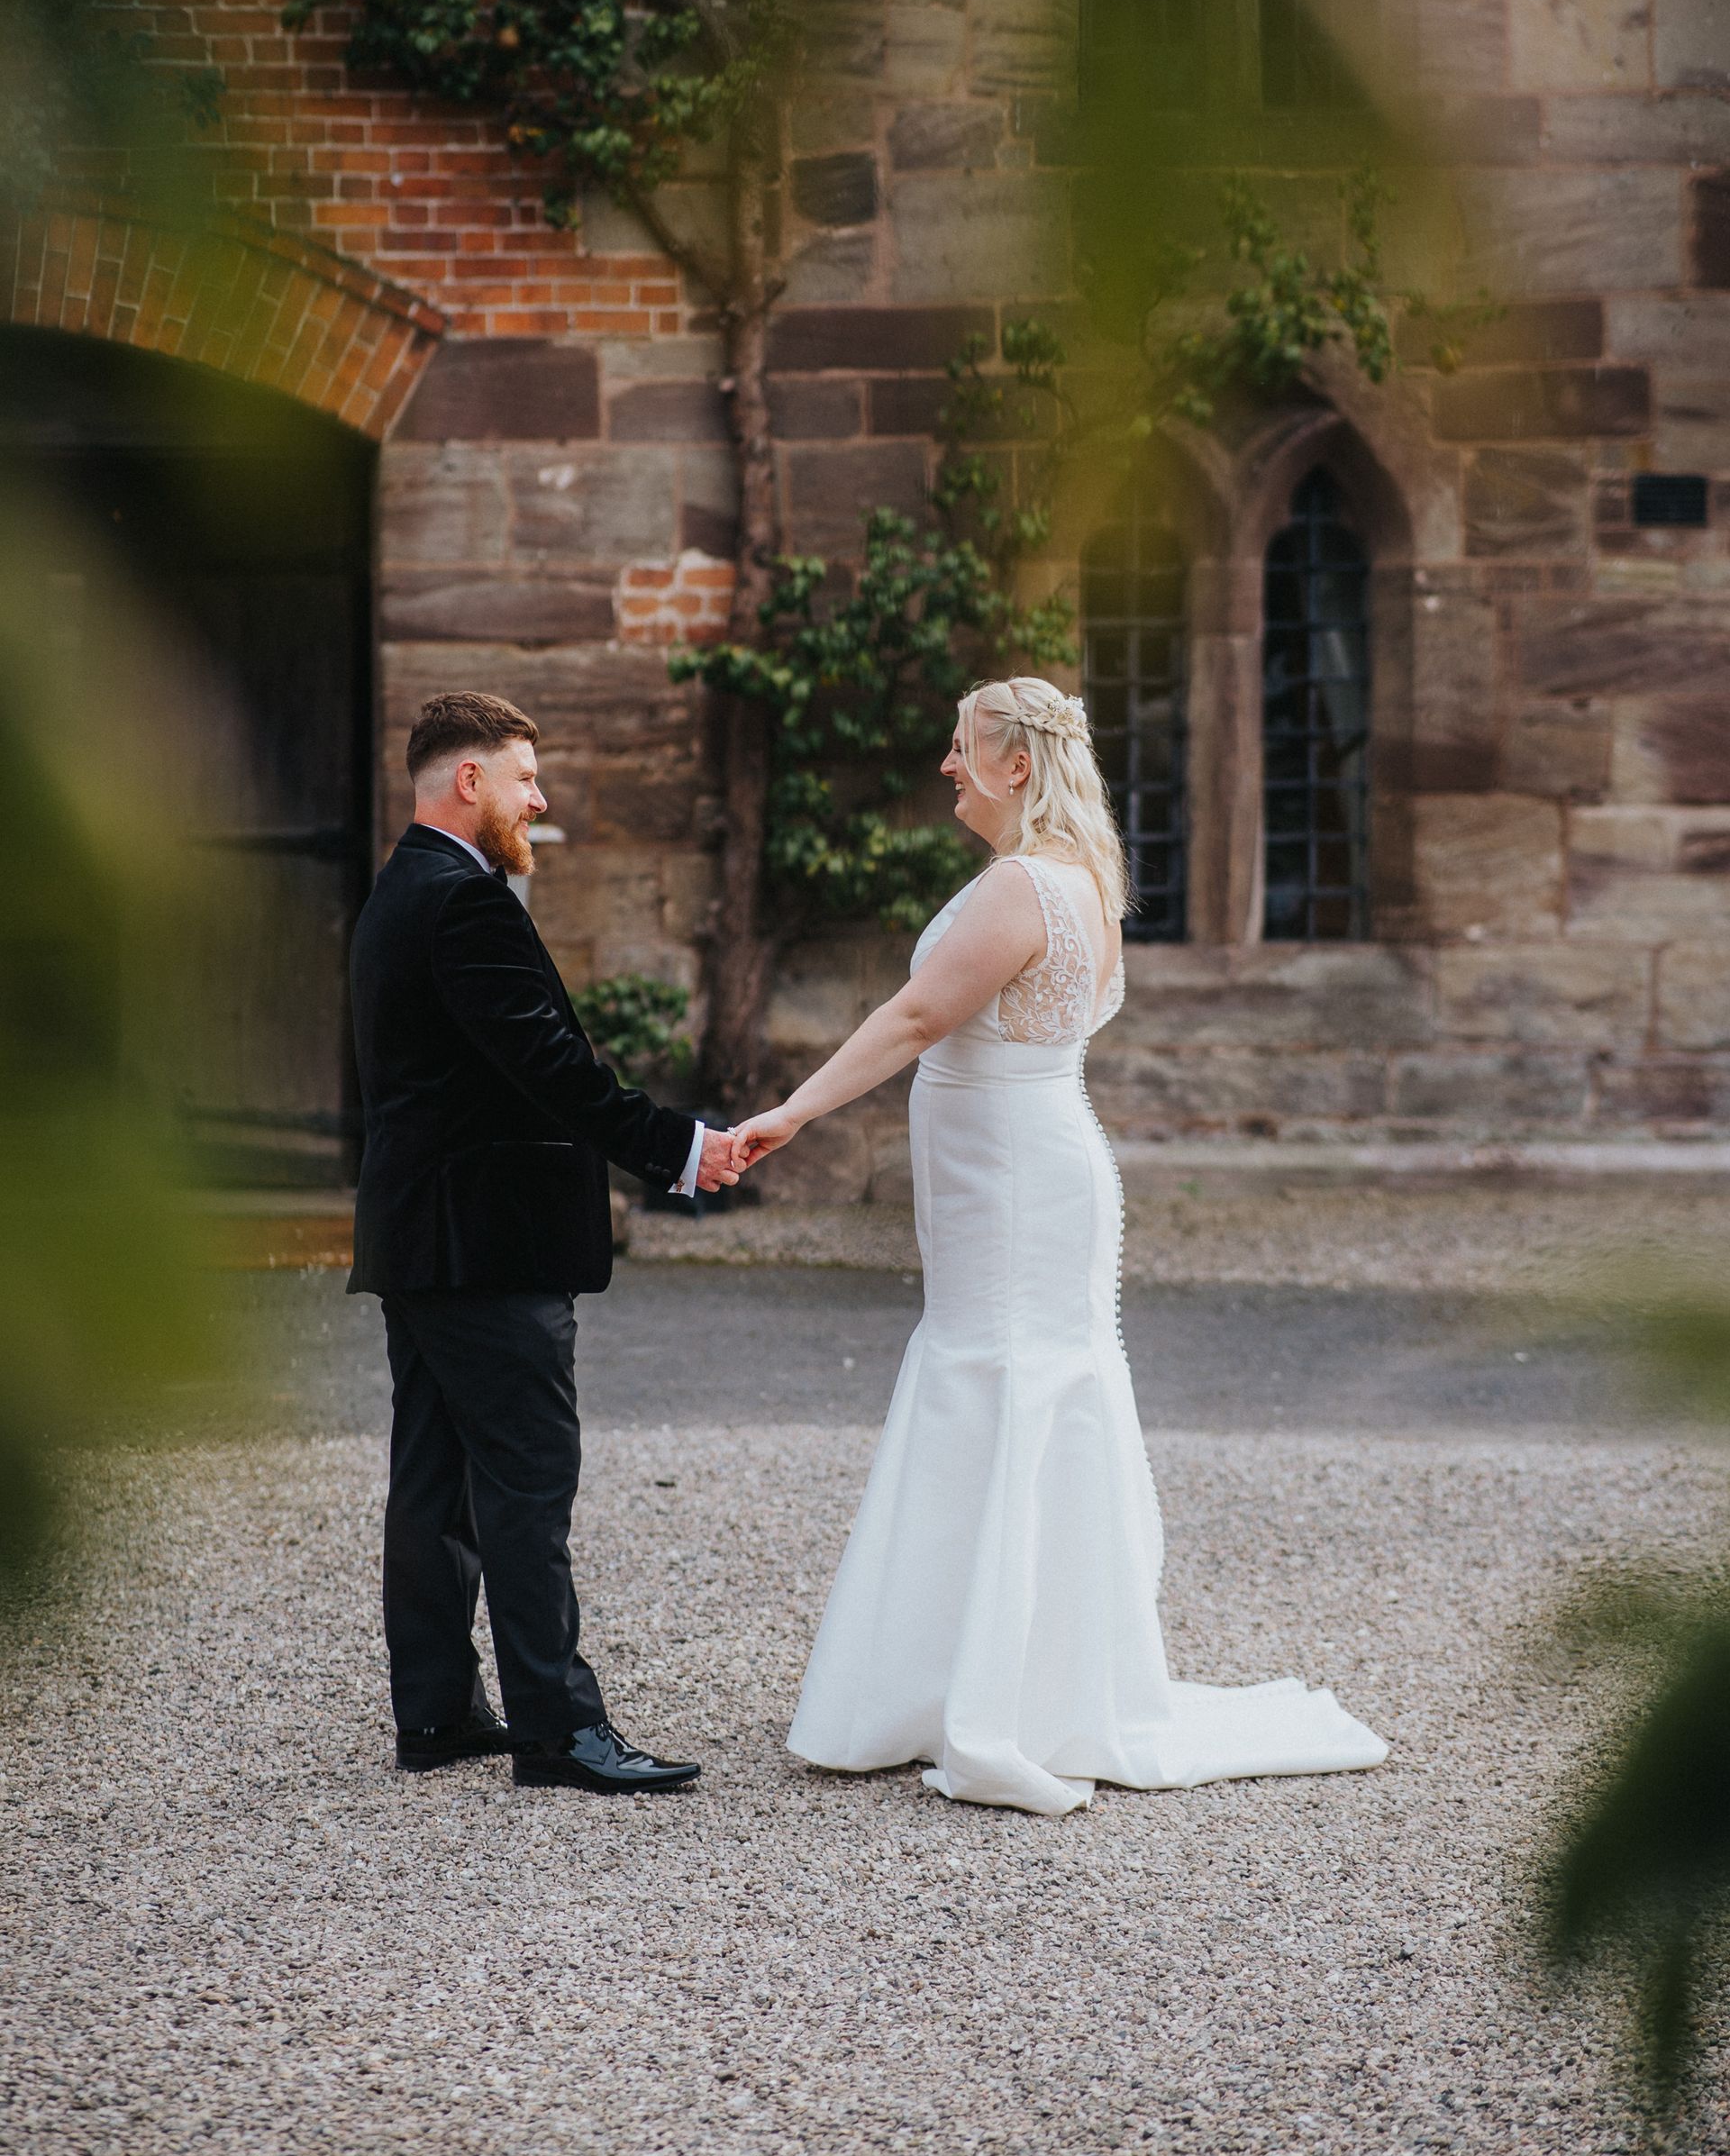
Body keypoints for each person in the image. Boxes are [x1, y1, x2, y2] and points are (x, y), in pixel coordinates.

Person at [733, 676, 1388, 1816]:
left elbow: (917, 1017)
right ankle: (991, 1677)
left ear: (1016, 766)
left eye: (961, 747)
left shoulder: (1025, 884)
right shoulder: (1076, 877)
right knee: (1003, 1378)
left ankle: (998, 1700)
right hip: (1026, 1166)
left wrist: (791, 1112)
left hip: (1020, 1183)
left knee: (1004, 1378)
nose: (946, 765)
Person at [348, 690, 742, 1795]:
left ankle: (433, 1714)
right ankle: (560, 1731)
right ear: (466, 780)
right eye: (525, 776)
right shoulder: (465, 903)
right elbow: (552, 1070)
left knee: (435, 1486)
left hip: (424, 1240)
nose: (541, 796)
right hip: (488, 1248)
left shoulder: (399, 892)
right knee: (525, 1482)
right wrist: (681, 1146)